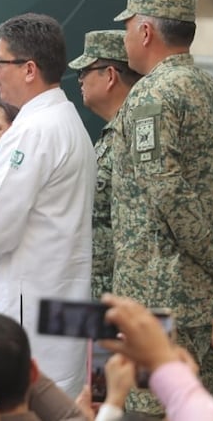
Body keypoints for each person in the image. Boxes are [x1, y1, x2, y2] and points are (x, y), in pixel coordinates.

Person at [110, 0, 213, 413]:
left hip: (162, 301)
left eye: (127, 29)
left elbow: (166, 188)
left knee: (152, 408)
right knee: (201, 408)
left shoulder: (152, 95)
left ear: (144, 32)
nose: (125, 40)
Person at [0, 13, 96, 398]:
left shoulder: (33, 130)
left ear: (29, 69)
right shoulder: (64, 120)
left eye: (0, 62)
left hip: (31, 316)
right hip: (51, 305)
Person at [67, 30, 142, 300]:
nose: (80, 81)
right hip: (100, 292)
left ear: (110, 75)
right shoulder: (113, 134)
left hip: (121, 294)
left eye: (85, 72)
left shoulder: (134, 135)